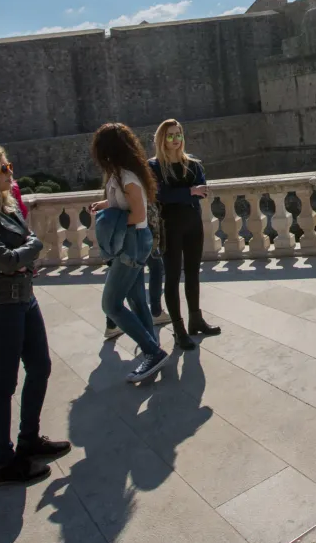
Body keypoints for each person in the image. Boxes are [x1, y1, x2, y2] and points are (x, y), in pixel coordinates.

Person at [0, 145, 70, 486]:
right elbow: (8, 259)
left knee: (40, 367)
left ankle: (28, 440)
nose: (10, 172)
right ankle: (3, 464)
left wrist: (23, 254)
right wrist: (28, 251)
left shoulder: (4, 208)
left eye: (9, 166)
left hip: (23, 297)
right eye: (5, 168)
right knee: (3, 385)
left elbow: (22, 249)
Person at [90, 123, 170, 383]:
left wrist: (110, 220)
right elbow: (125, 204)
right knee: (135, 297)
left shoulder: (127, 178)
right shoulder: (122, 175)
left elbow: (138, 214)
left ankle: (152, 351)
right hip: (132, 241)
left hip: (132, 242)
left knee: (111, 304)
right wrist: (105, 205)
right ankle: (151, 346)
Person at [149, 118, 220, 350]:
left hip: (192, 223)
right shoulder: (154, 167)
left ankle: (196, 319)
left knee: (192, 273)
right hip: (169, 226)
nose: (175, 139)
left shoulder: (193, 164)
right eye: (170, 135)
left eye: (178, 134)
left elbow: (202, 191)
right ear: (162, 138)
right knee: (171, 277)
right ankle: (178, 329)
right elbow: (162, 195)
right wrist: (190, 191)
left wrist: (186, 193)